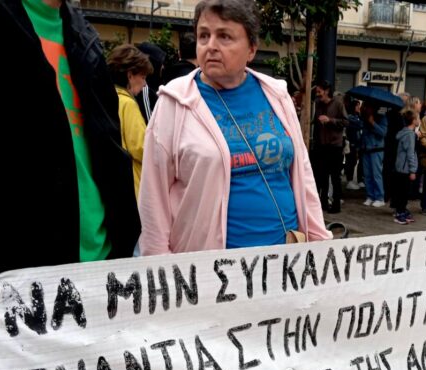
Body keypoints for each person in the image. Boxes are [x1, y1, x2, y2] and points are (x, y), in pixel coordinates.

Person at [0, 0, 140, 333]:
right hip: (15, 287)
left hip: (98, 271)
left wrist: (121, 240)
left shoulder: (79, 30)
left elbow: (104, 145)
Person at [137, 0, 331, 255]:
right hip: (211, 269)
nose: (211, 46)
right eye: (204, 35)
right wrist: (160, 266)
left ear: (251, 49)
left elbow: (302, 173)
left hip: (285, 261)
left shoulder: (277, 94)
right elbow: (153, 198)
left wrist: (320, 244)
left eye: (224, 36)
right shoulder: (174, 102)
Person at [108, 44, 153, 199]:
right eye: (143, 77)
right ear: (130, 75)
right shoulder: (128, 104)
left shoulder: (107, 98)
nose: (145, 84)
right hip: (132, 186)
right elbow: (142, 148)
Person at [311, 80, 348, 213]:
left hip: (335, 146)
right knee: (322, 176)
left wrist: (330, 120)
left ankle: (336, 204)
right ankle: (323, 203)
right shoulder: (317, 104)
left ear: (326, 91)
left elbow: (346, 122)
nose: (317, 94)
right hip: (321, 145)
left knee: (335, 176)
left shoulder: (338, 104)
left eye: (319, 91)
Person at [392, 109, 419, 224]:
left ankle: (401, 210)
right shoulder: (410, 135)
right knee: (403, 192)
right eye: (417, 118)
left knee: (401, 191)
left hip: (400, 168)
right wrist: (412, 170)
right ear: (414, 121)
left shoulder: (405, 132)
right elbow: (410, 153)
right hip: (405, 169)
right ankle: (400, 213)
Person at [135, 42, 167, 123]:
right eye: (161, 63)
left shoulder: (155, 85)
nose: (163, 67)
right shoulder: (144, 89)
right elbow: (149, 123)